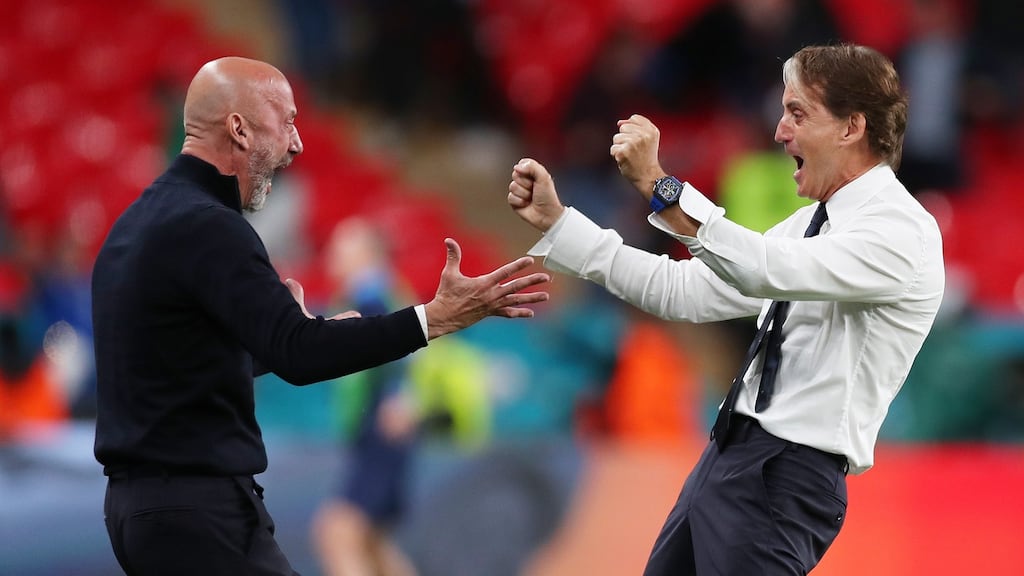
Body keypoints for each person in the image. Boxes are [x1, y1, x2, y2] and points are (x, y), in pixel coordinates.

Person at [92, 56, 549, 576]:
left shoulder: (136, 225)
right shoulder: (211, 227)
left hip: (139, 513)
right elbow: (300, 355)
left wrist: (285, 342)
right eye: (286, 121)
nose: (297, 142)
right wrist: (434, 319)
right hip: (199, 514)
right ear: (239, 129)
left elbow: (177, 365)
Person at [507, 44, 944, 575]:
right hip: (728, 459)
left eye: (798, 113)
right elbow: (683, 289)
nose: (780, 131)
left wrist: (659, 186)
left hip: (787, 473)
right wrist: (561, 225)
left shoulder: (902, 231)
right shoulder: (813, 226)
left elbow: (759, 267)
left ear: (852, 127)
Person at [310, 217, 422, 576]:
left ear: (367, 254)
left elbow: (396, 346)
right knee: (374, 542)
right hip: (377, 429)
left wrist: (398, 395)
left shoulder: (372, 293)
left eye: (343, 246)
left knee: (336, 533)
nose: (332, 253)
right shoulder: (372, 292)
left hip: (383, 428)